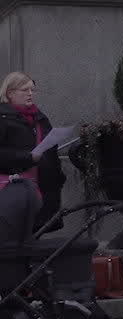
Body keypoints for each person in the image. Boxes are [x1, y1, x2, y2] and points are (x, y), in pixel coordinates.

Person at [0, 73, 67, 229]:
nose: (30, 94)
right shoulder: (2, 118)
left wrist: (58, 177)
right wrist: (27, 157)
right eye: (24, 90)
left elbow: (51, 151)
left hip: (43, 187)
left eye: (32, 90)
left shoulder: (40, 118)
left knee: (37, 231)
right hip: (14, 189)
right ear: (10, 93)